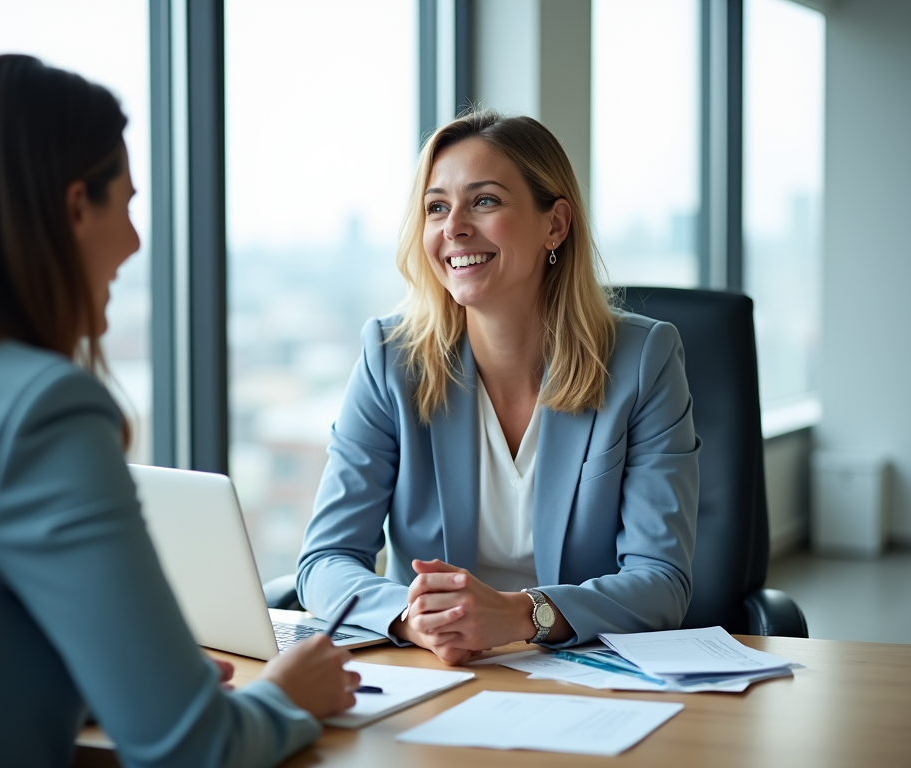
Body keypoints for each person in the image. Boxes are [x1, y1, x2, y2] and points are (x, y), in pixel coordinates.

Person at [0, 55, 359, 768]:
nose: (135, 243)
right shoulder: (38, 411)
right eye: (128, 205)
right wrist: (288, 695)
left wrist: (109, 675)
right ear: (77, 205)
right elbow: (191, 749)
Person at [297, 110, 701, 665]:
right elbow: (325, 560)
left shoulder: (641, 360)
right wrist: (410, 617)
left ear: (555, 225)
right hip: (435, 672)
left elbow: (661, 582)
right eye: (436, 207)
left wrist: (520, 615)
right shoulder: (391, 360)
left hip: (584, 674)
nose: (454, 227)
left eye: (484, 201)